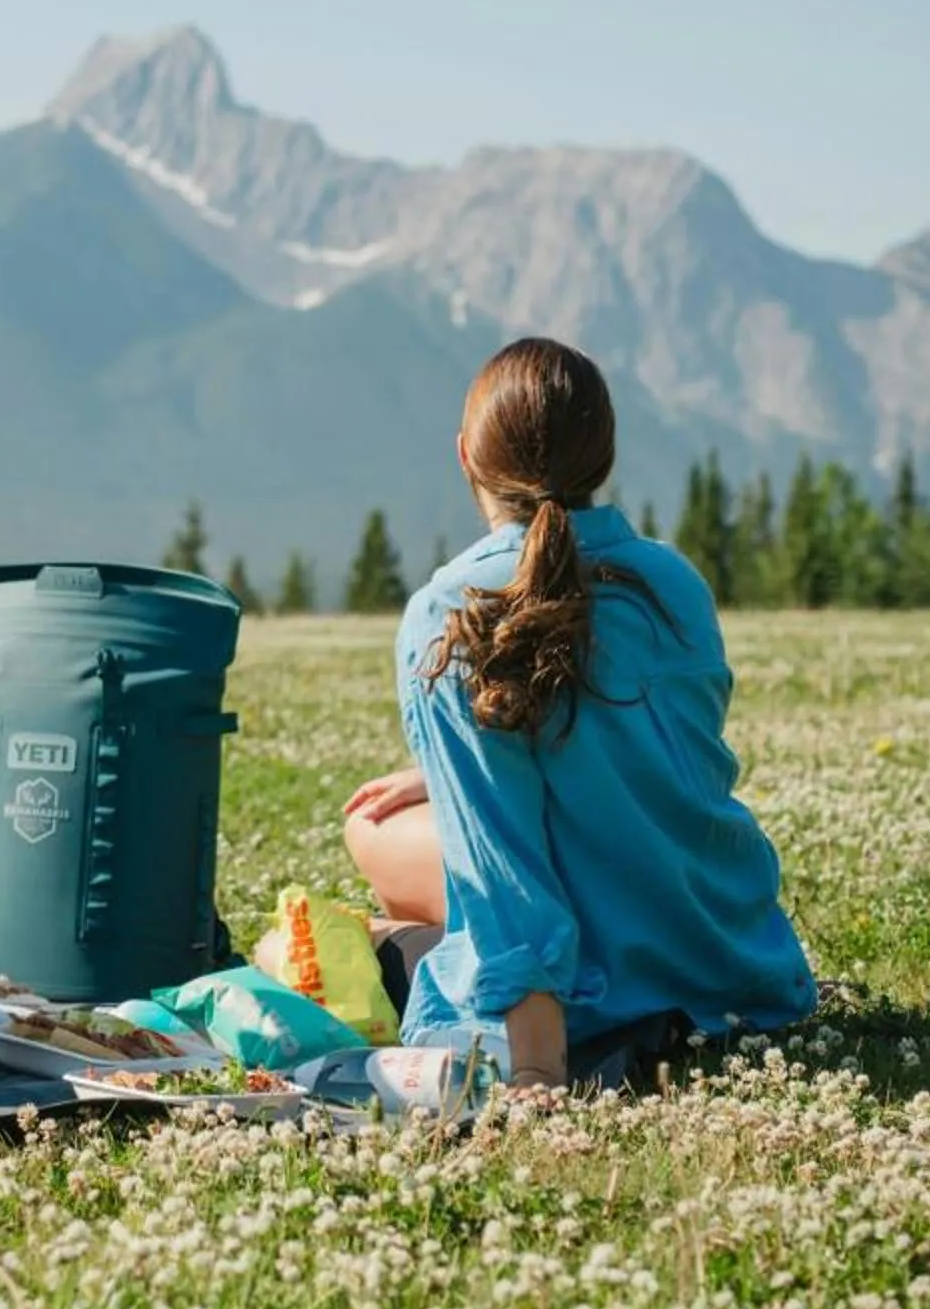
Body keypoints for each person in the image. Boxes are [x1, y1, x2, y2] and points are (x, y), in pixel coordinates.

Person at [340, 336, 815, 1089]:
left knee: (368, 828)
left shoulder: (447, 612)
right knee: (421, 822)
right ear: (605, 457)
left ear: (466, 457)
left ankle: (412, 945)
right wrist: (438, 773)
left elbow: (504, 871)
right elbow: (638, 754)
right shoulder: (674, 584)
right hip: (731, 964)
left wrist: (536, 1069)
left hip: (586, 1006)